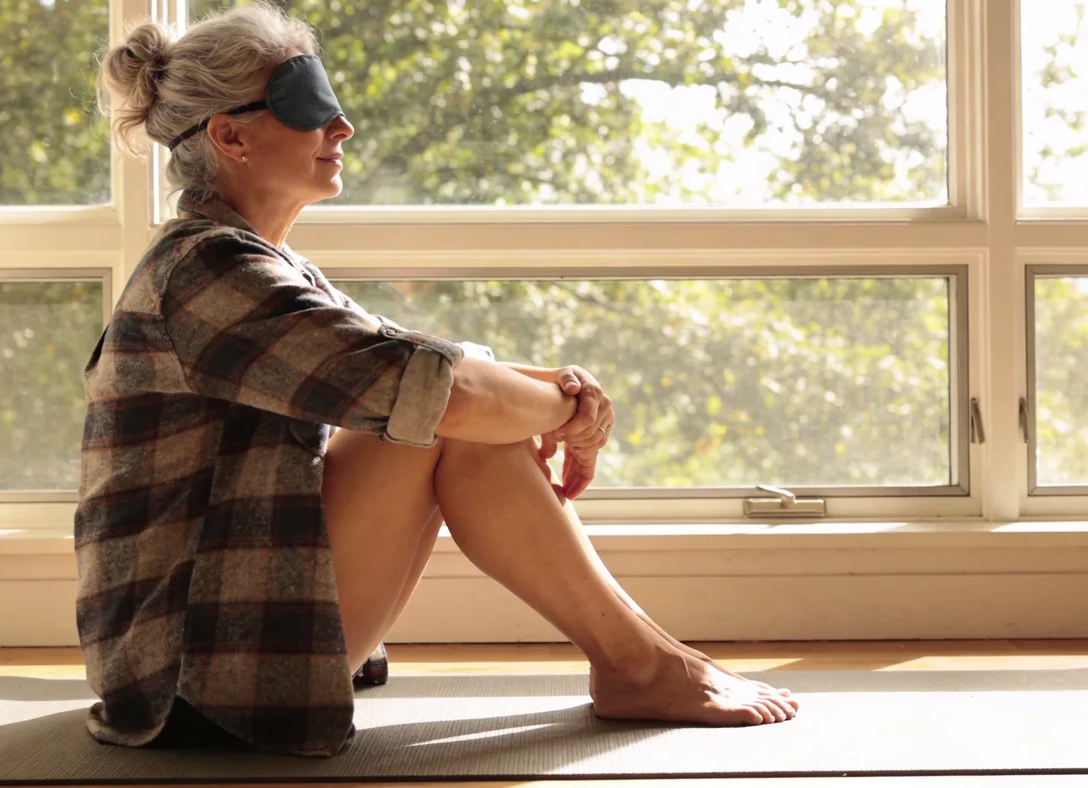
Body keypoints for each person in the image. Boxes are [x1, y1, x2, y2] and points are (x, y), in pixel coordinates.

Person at [78, 1, 798, 759]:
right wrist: (563, 411)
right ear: (230, 135)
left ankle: (641, 660)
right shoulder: (206, 272)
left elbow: (417, 361)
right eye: (308, 104)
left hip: (224, 648)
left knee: (447, 408)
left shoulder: (254, 263)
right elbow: (435, 388)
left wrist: (561, 397)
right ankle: (640, 663)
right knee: (441, 412)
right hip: (191, 679)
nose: (342, 126)